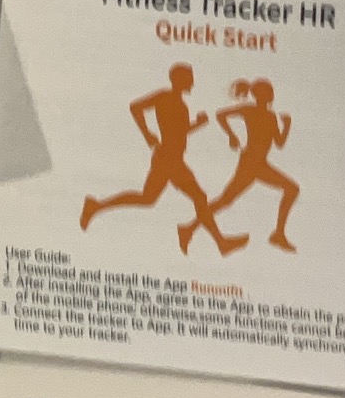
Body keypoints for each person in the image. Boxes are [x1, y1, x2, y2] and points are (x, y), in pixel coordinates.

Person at [80, 63, 248, 256]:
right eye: (189, 78)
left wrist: (197, 124)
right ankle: (217, 242)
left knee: (148, 198)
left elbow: (177, 133)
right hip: (169, 158)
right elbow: (135, 107)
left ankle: (96, 206)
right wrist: (147, 134)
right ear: (179, 80)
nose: (192, 82)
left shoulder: (179, 103)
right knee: (195, 197)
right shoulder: (164, 97)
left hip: (171, 158)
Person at [179, 78, 298, 254]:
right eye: (267, 92)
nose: (270, 95)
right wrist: (231, 135)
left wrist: (287, 126)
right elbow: (220, 115)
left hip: (260, 164)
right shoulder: (249, 110)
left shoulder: (271, 116)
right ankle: (188, 229)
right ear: (259, 95)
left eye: (270, 92)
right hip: (250, 164)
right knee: (225, 200)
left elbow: (279, 143)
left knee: (290, 189)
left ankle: (278, 234)